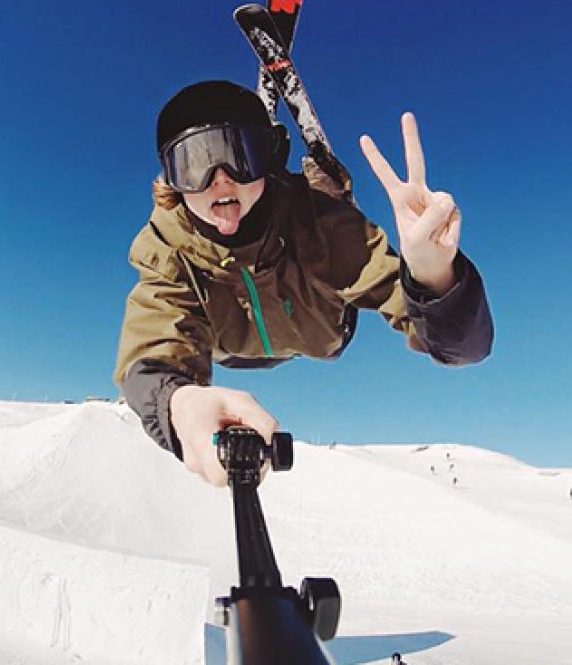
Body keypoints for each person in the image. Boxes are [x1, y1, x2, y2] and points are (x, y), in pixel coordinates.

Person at [114, 80, 494, 485]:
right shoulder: (167, 247)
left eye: (239, 156)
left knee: (321, 213)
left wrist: (433, 278)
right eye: (194, 163)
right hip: (233, 346)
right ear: (172, 180)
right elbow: (154, 345)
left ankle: (325, 182)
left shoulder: (319, 224)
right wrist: (179, 402)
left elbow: (465, 349)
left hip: (322, 328)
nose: (220, 180)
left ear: (267, 157)